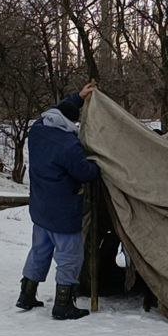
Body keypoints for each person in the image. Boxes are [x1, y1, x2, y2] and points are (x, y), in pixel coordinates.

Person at [16, 82, 101, 320]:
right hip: (64, 213)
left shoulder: (38, 129)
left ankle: (27, 294)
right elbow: (86, 173)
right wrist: (98, 164)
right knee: (70, 257)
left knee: (39, 251)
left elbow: (60, 109)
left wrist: (79, 97)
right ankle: (63, 305)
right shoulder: (68, 145)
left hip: (41, 209)